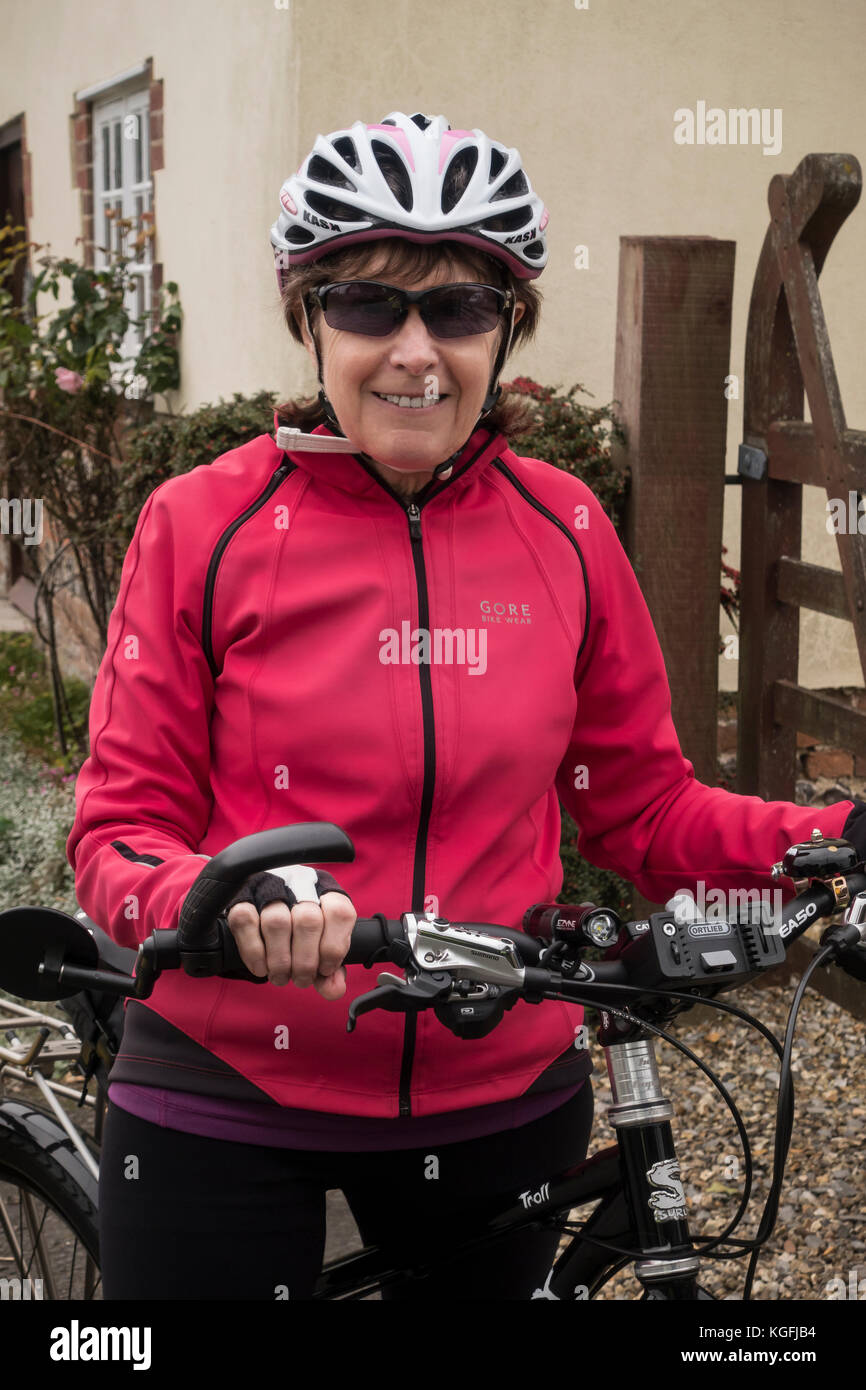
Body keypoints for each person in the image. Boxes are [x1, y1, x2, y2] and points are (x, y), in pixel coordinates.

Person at [67, 110, 866, 1301]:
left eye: (458, 307)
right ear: (306, 318)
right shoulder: (201, 523)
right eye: (365, 303)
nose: (413, 349)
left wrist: (832, 840)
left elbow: (642, 811)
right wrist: (229, 894)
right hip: (228, 1085)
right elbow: (115, 836)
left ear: (505, 329)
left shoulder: (565, 528)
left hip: (497, 1087)